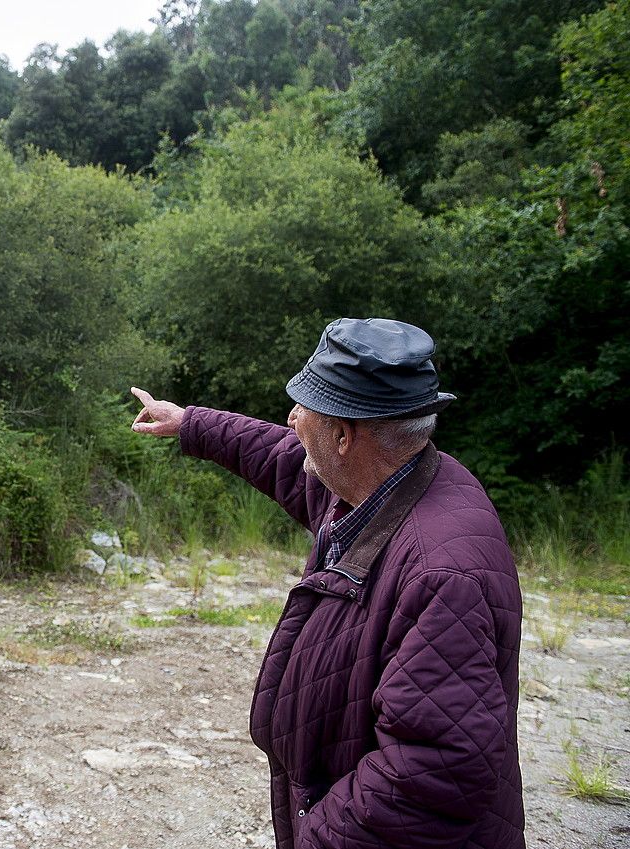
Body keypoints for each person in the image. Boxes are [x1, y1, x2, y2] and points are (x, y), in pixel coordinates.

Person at [130, 318, 524, 849]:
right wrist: (192, 423)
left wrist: (315, 833)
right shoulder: (388, 482)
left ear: (344, 436)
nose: (291, 419)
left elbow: (432, 774)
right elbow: (284, 459)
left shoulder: (442, 573)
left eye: (304, 407)